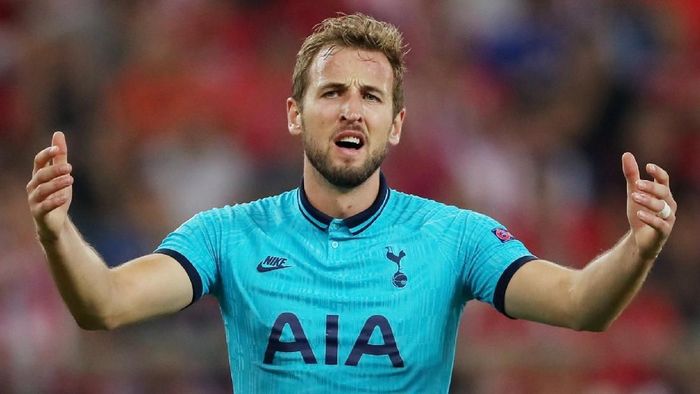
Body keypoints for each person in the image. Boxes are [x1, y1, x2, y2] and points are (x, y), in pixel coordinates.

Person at [26, 13, 676, 393]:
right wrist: (57, 232)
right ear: (294, 114)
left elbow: (582, 305)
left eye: (371, 96)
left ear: (394, 123)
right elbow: (104, 305)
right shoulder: (227, 236)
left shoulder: (455, 237)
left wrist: (639, 244)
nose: (351, 108)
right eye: (332, 91)